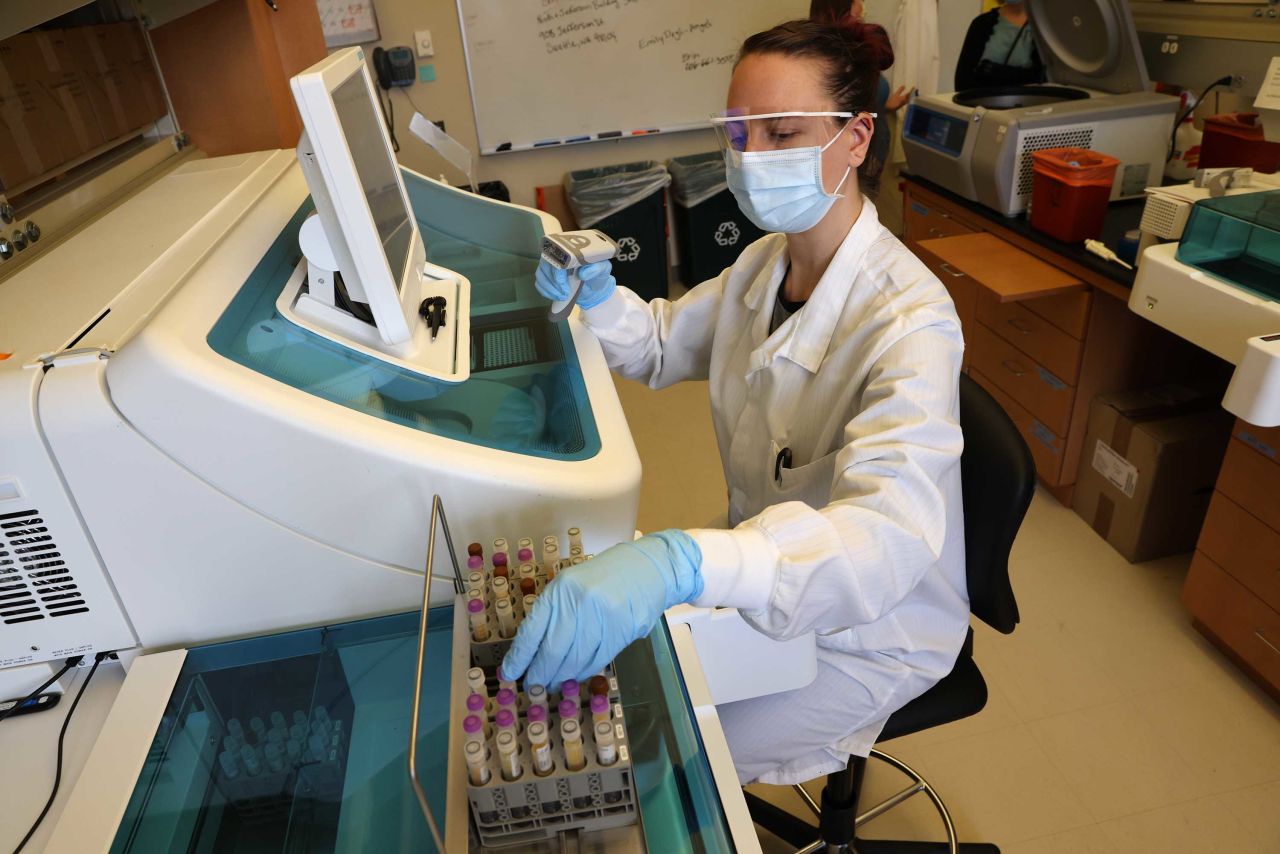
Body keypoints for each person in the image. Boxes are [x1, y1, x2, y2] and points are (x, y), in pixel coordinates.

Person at [502, 13, 968, 786]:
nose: (750, 159)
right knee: (632, 701)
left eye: (782, 134)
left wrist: (681, 562)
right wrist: (599, 296)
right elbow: (659, 346)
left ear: (854, 141)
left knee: (665, 756)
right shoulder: (762, 266)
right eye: (739, 133)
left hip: (869, 627)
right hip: (760, 573)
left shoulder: (911, 322)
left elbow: (885, 538)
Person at [955, 0, 1045, 91]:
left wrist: (1007, 75)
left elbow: (1045, 81)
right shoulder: (981, 23)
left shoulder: (1048, 28)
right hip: (980, 104)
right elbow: (962, 84)